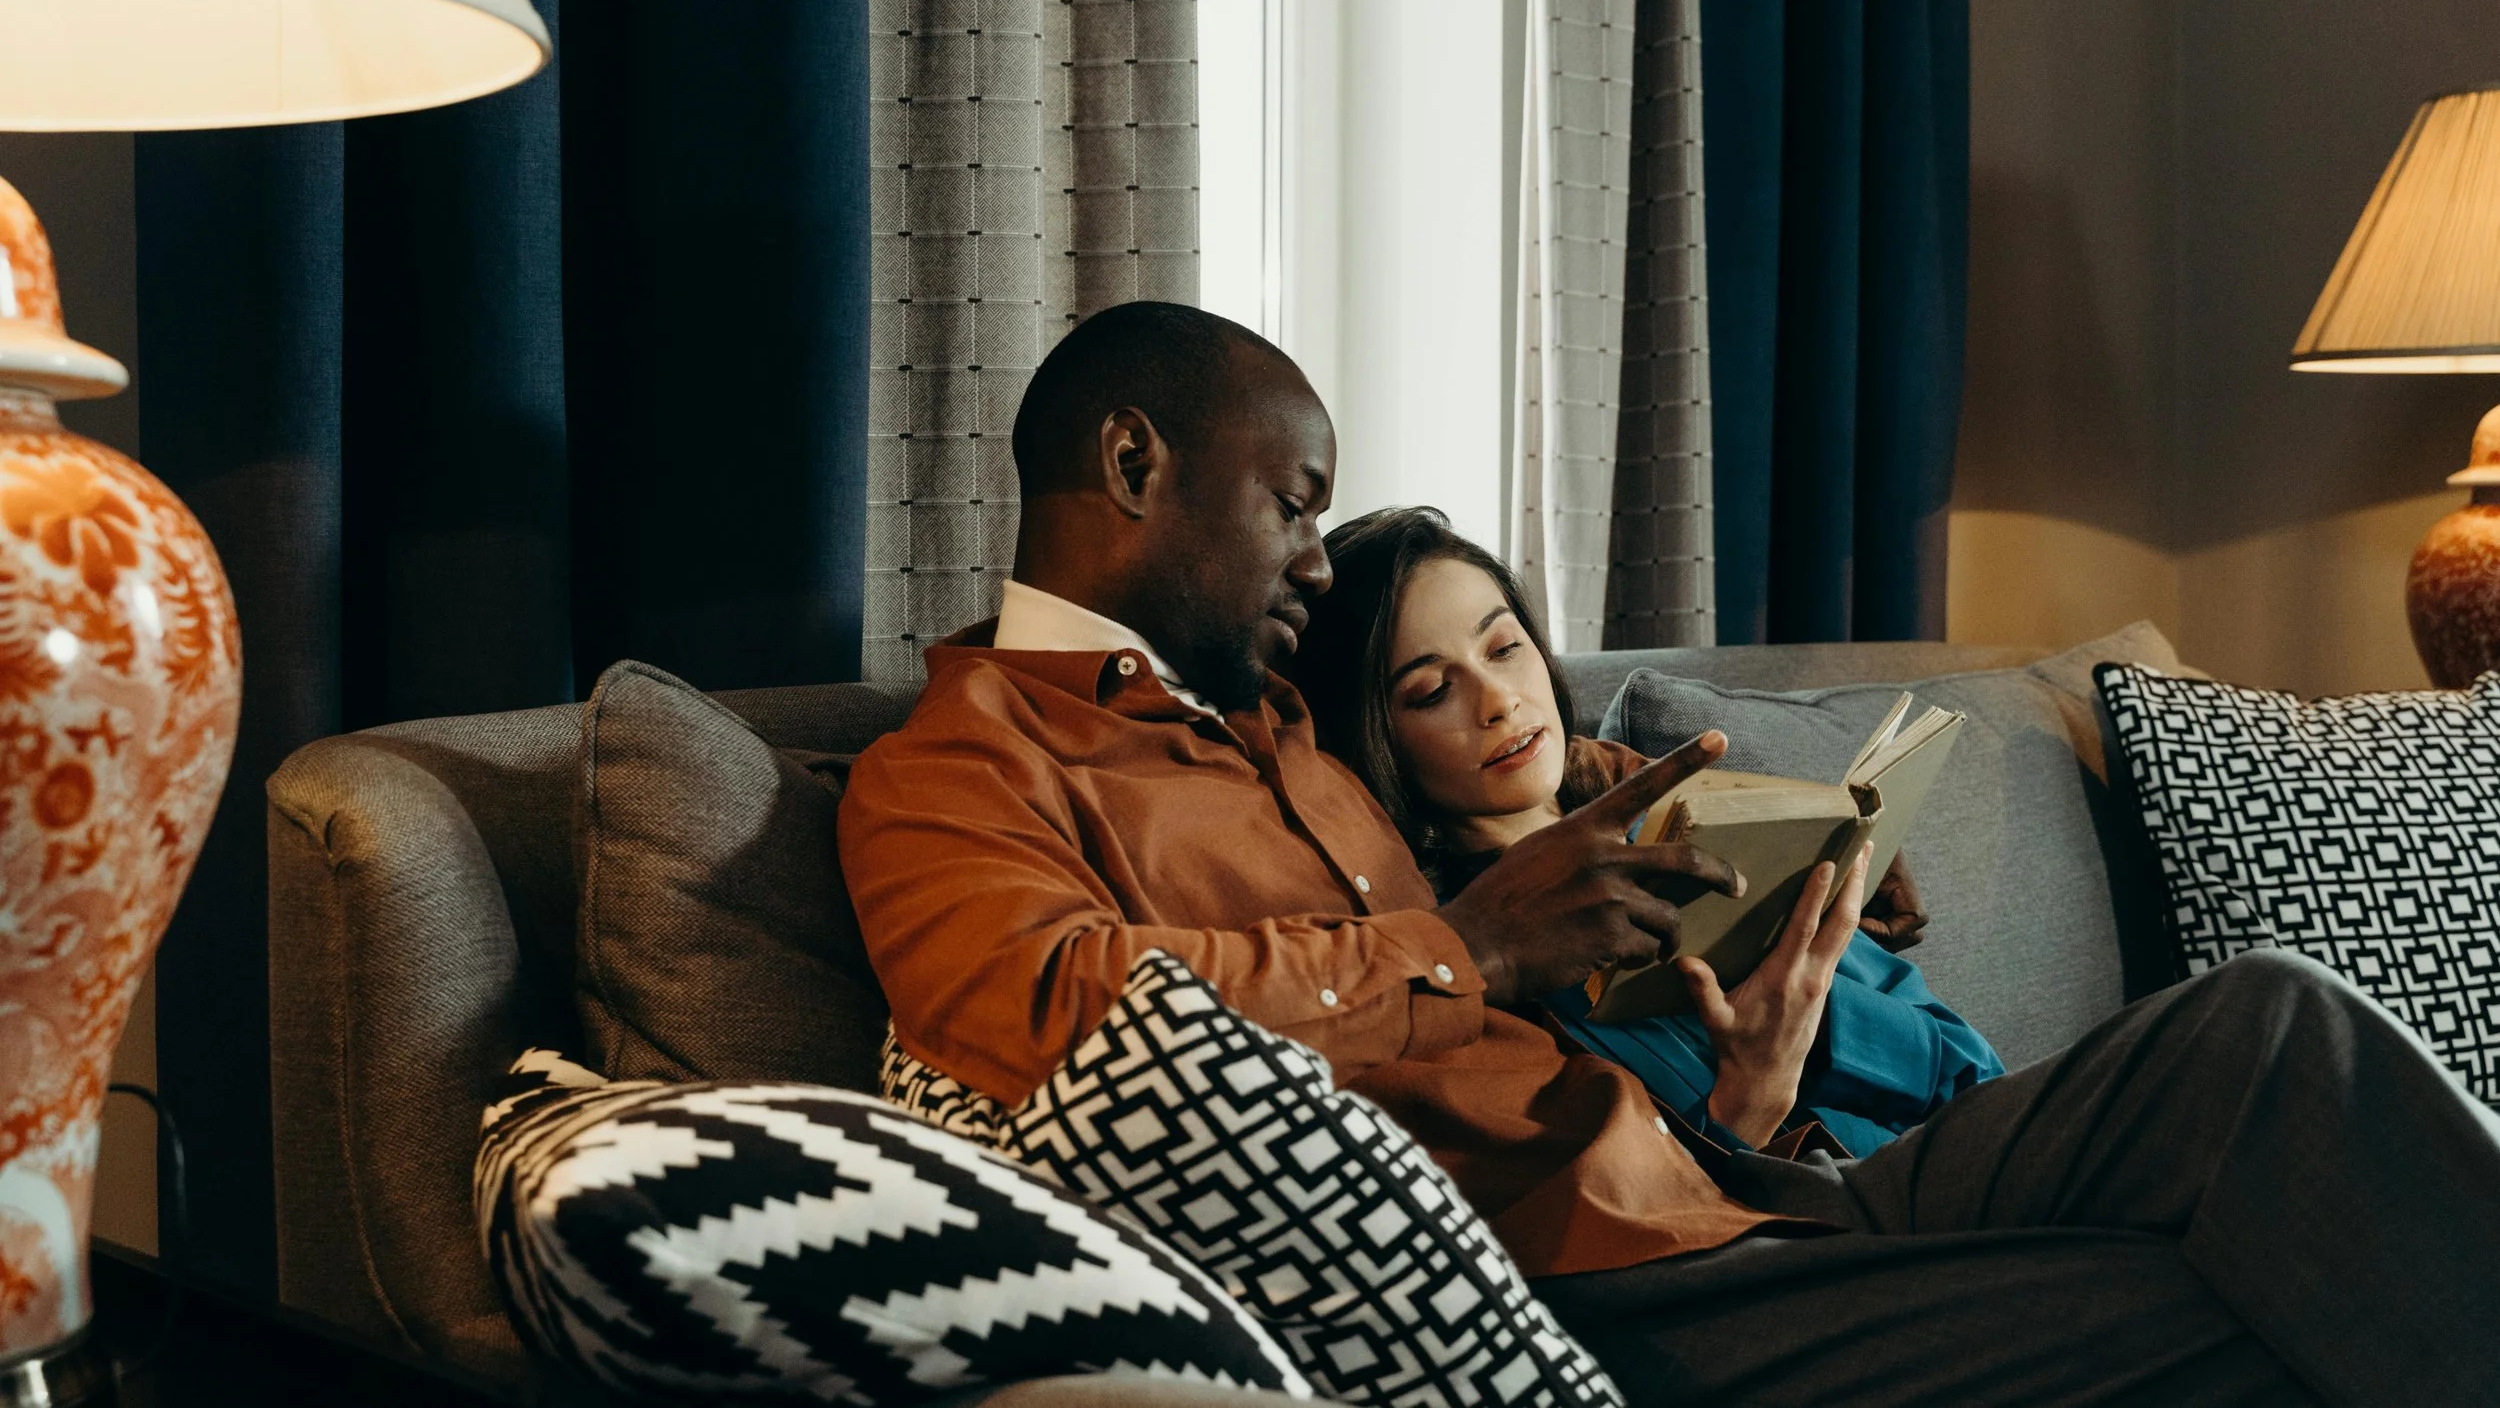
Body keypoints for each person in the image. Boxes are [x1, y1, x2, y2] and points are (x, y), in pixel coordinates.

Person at [839, 301, 2500, 1406]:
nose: (1314, 564)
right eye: (1294, 504)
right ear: (1135, 466)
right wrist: (1472, 951)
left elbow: (1524, 758)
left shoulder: (1275, 719)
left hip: (1742, 1195)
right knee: (2244, 1309)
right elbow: (1053, 1007)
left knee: (2259, 1029)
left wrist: (1769, 851)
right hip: (1609, 1304)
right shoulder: (957, 770)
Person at [1281, 504, 2002, 1158]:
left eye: (1503, 648)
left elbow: (1978, 1071)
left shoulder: (1711, 847)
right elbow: (1629, 1227)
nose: (1500, 700)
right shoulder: (1484, 979)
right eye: (1432, 690)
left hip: (1980, 1167)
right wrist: (1750, 1094)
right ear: (1376, 739)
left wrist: (1809, 1005)